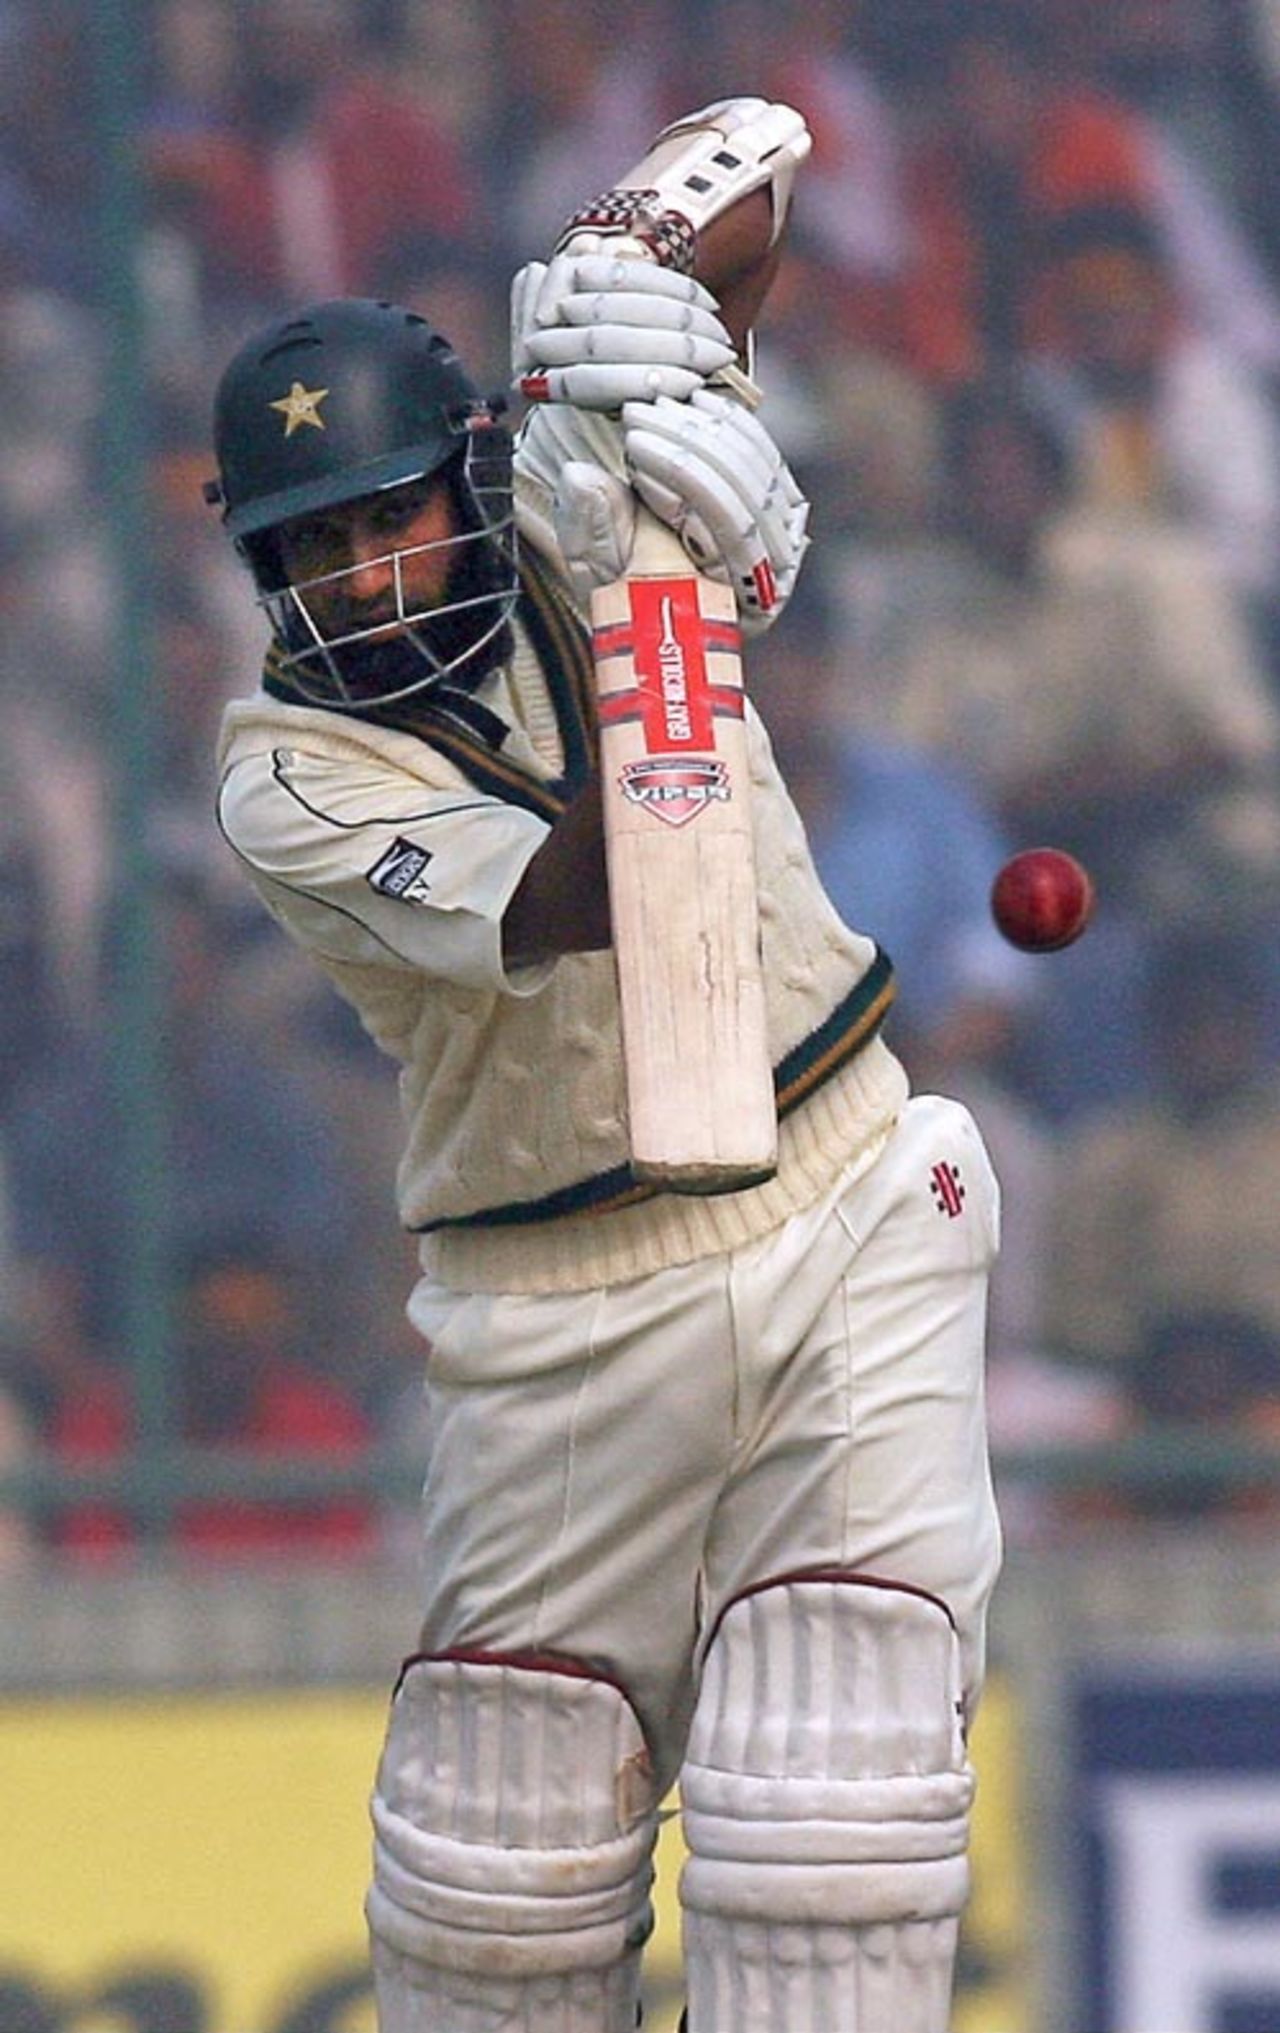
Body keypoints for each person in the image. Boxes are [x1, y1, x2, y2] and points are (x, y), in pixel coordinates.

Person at [207, 98, 1002, 2033]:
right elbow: (592, 893)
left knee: (836, 1798)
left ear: (459, 477)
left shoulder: (578, 512)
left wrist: (679, 380)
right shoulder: (285, 773)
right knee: (505, 1856)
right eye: (316, 549)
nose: (370, 577)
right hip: (553, 1310)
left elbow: (765, 189)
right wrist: (674, 620)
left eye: (391, 514)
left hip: (843, 1189)